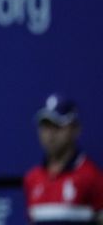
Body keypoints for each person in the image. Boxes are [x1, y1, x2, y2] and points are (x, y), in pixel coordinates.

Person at [24, 93, 103, 224]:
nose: (50, 134)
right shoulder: (32, 179)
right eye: (45, 126)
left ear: (75, 129)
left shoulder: (92, 177)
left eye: (57, 125)